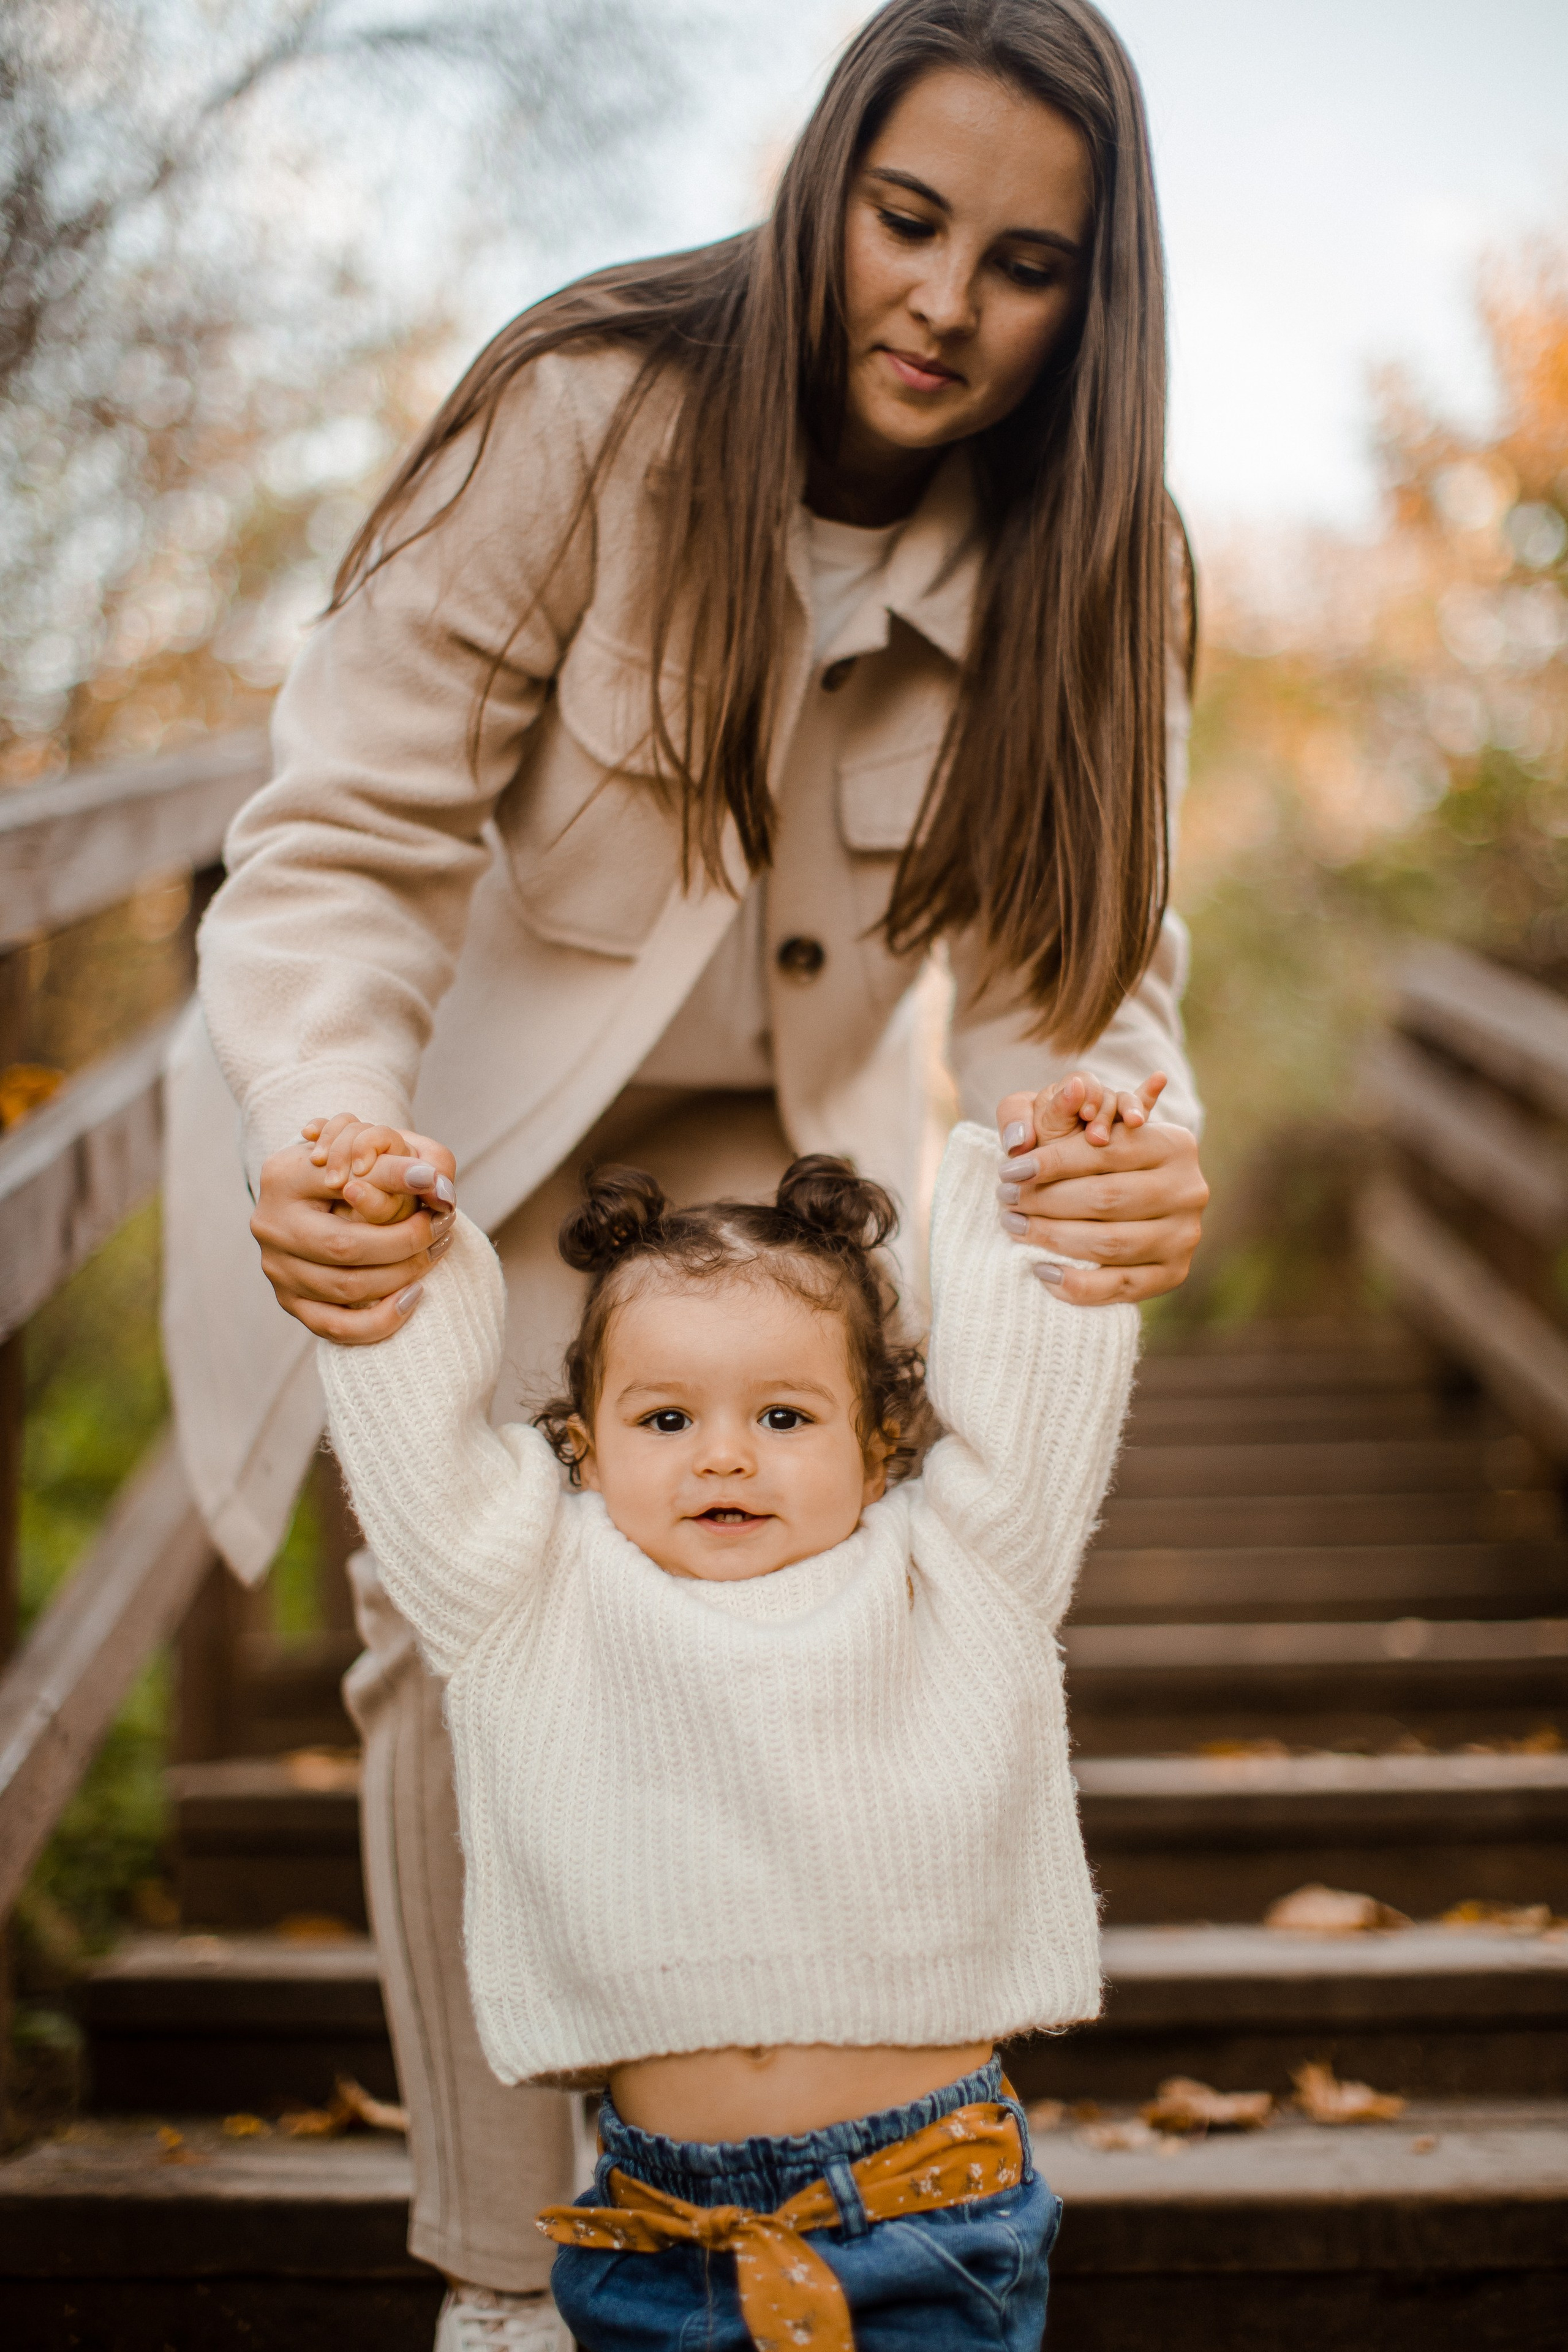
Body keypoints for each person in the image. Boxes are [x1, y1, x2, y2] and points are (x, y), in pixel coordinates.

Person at [162, 2, 1209, 2340]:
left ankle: (805, 2185)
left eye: (1025, 263)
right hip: (456, 1142)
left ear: (1095, 297)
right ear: (825, 181)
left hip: (786, 1182)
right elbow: (343, 844)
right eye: (907, 220)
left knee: (834, 1591)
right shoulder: (583, 413)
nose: (943, 302)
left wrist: (1117, 1153)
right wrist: (320, 1119)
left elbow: (1076, 985)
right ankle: (511, 2279)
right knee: (468, 1621)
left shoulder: (1103, 558)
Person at [305, 1070, 1147, 2350]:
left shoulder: (960, 1577)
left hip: (929, 2211)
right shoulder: (534, 1597)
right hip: (657, 2234)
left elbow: (1042, 1403)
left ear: (880, 1444)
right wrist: (393, 1248)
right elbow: (417, 1457)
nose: (722, 1454)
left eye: (783, 1415)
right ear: (583, 1448)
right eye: (664, 1417)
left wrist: (1050, 1191)